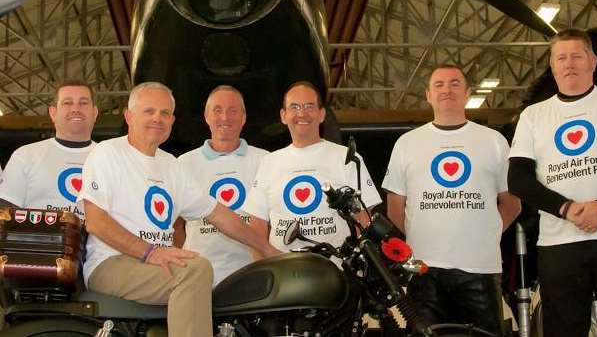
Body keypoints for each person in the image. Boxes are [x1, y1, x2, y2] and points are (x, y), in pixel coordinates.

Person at [77, 82, 279, 337]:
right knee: (195, 270)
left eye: (164, 113)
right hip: (110, 262)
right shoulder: (108, 153)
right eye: (148, 111)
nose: (157, 119)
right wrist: (150, 253)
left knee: (198, 269)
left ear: (172, 120)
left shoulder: (171, 166)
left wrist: (267, 248)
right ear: (129, 116)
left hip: (153, 264)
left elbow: (218, 214)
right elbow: (95, 222)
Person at [508, 28, 597, 337]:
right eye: (561, 57)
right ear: (552, 66)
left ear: (593, 62)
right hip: (560, 244)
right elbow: (517, 178)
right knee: (562, 328)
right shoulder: (533, 116)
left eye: (577, 56)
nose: (569, 63)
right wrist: (565, 208)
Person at [383, 65, 520, 335]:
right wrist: (417, 242)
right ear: (428, 95)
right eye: (439, 85)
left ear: (468, 93)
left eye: (455, 83)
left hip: (480, 269)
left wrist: (486, 233)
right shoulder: (407, 143)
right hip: (424, 271)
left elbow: (512, 203)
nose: (447, 90)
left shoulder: (494, 141)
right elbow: (395, 207)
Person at [242, 81, 381, 253]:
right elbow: (256, 224)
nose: (302, 113)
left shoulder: (347, 158)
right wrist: (263, 272)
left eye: (309, 106)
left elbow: (365, 214)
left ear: (322, 114)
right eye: (294, 107)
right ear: (283, 115)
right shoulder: (269, 162)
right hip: (283, 273)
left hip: (336, 271)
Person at [177, 85, 269, 286]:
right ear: (206, 116)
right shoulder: (183, 164)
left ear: (244, 117)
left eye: (233, 110)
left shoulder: (266, 160)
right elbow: (175, 224)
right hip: (199, 275)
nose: (225, 118)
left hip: (253, 273)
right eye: (217, 110)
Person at [0, 79, 98, 217]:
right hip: (36, 238)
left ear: (95, 113)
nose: (75, 109)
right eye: (67, 103)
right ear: (53, 113)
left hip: (96, 239)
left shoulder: (111, 159)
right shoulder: (25, 155)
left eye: (83, 103)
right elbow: (5, 213)